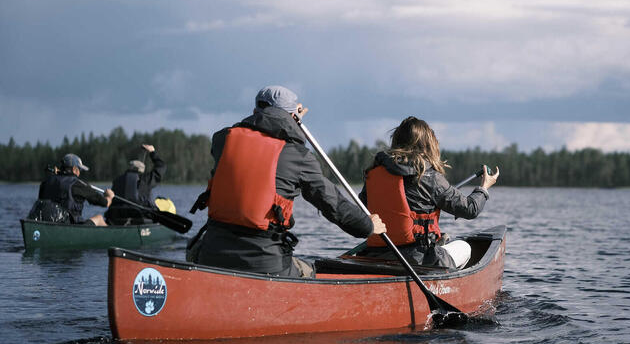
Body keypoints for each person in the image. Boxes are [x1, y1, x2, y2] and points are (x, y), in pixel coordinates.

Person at [190, 85, 386, 278]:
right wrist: (366, 226)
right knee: (308, 271)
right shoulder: (298, 156)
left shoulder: (223, 140)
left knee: (191, 252)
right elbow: (332, 203)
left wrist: (288, 120)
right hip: (266, 264)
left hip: (211, 256)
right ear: (293, 116)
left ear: (254, 112)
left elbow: (258, 134)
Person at [359, 116, 499, 269]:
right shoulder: (429, 176)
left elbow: (363, 208)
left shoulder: (374, 173)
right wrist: (484, 188)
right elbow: (470, 209)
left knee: (441, 242)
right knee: (464, 247)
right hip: (417, 259)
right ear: (427, 145)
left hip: (375, 254)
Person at [28, 153, 114, 226]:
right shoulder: (78, 184)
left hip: (46, 224)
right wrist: (109, 196)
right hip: (69, 225)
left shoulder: (46, 182)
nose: (79, 173)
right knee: (99, 218)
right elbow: (104, 203)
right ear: (74, 169)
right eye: (79, 169)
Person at [105, 144, 166, 225]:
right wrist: (152, 152)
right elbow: (161, 167)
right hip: (139, 218)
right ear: (141, 171)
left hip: (116, 218)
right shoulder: (144, 180)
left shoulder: (117, 181)